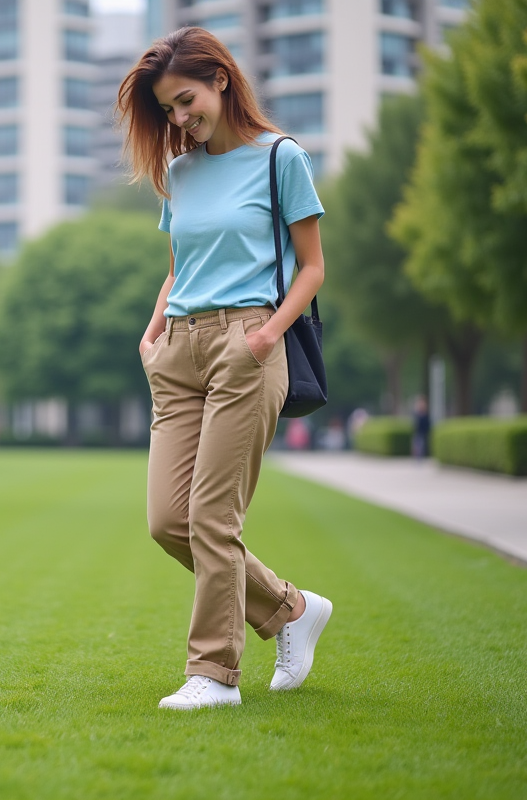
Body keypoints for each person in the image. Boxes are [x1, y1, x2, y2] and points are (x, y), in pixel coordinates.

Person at [117, 27, 333, 710]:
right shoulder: (180, 173)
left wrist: (265, 337)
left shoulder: (281, 158)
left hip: (246, 345)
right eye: (168, 110)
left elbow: (313, 267)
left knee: (212, 517)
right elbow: (178, 268)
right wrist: (152, 336)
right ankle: (290, 609)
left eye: (186, 101)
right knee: (168, 520)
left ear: (220, 79)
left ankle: (213, 675)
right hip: (177, 350)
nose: (180, 119)